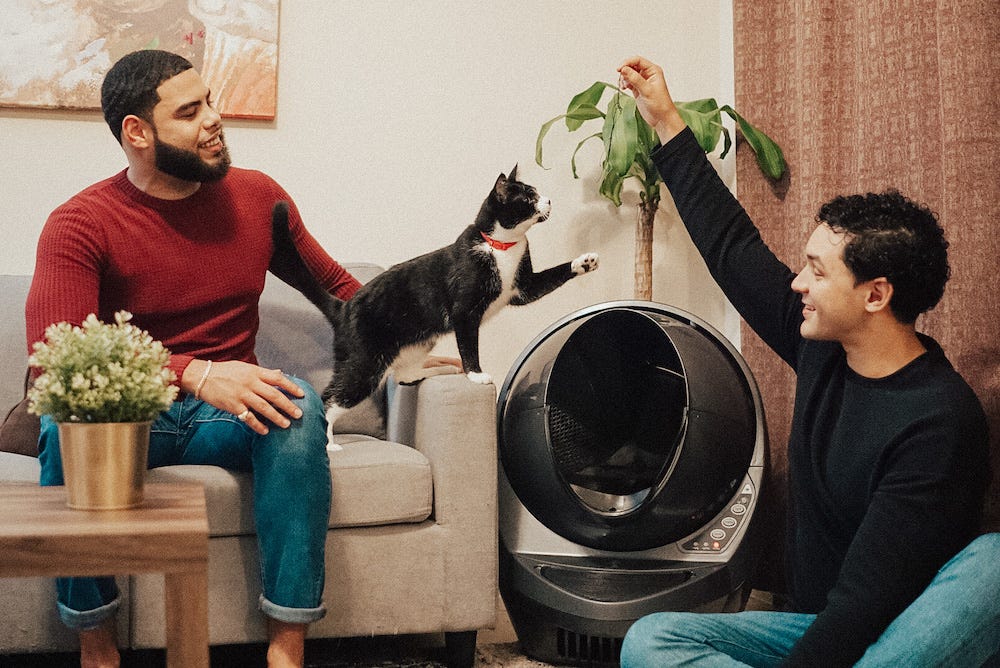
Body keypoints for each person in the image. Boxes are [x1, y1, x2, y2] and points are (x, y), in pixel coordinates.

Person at [615, 56, 997, 667]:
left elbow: (863, 608)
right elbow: (733, 247)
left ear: (876, 295)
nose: (797, 283)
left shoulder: (938, 422)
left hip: (898, 639)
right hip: (814, 629)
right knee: (652, 639)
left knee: (995, 568)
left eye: (817, 271)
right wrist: (665, 120)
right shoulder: (822, 346)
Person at [26, 50, 363, 668]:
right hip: (134, 424)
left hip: (224, 422)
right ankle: (96, 643)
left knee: (298, 408)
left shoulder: (258, 198)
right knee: (61, 423)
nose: (214, 119)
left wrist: (423, 340)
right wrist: (196, 373)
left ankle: (286, 649)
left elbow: (340, 289)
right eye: (190, 111)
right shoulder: (81, 223)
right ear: (138, 132)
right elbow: (54, 364)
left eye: (210, 100)